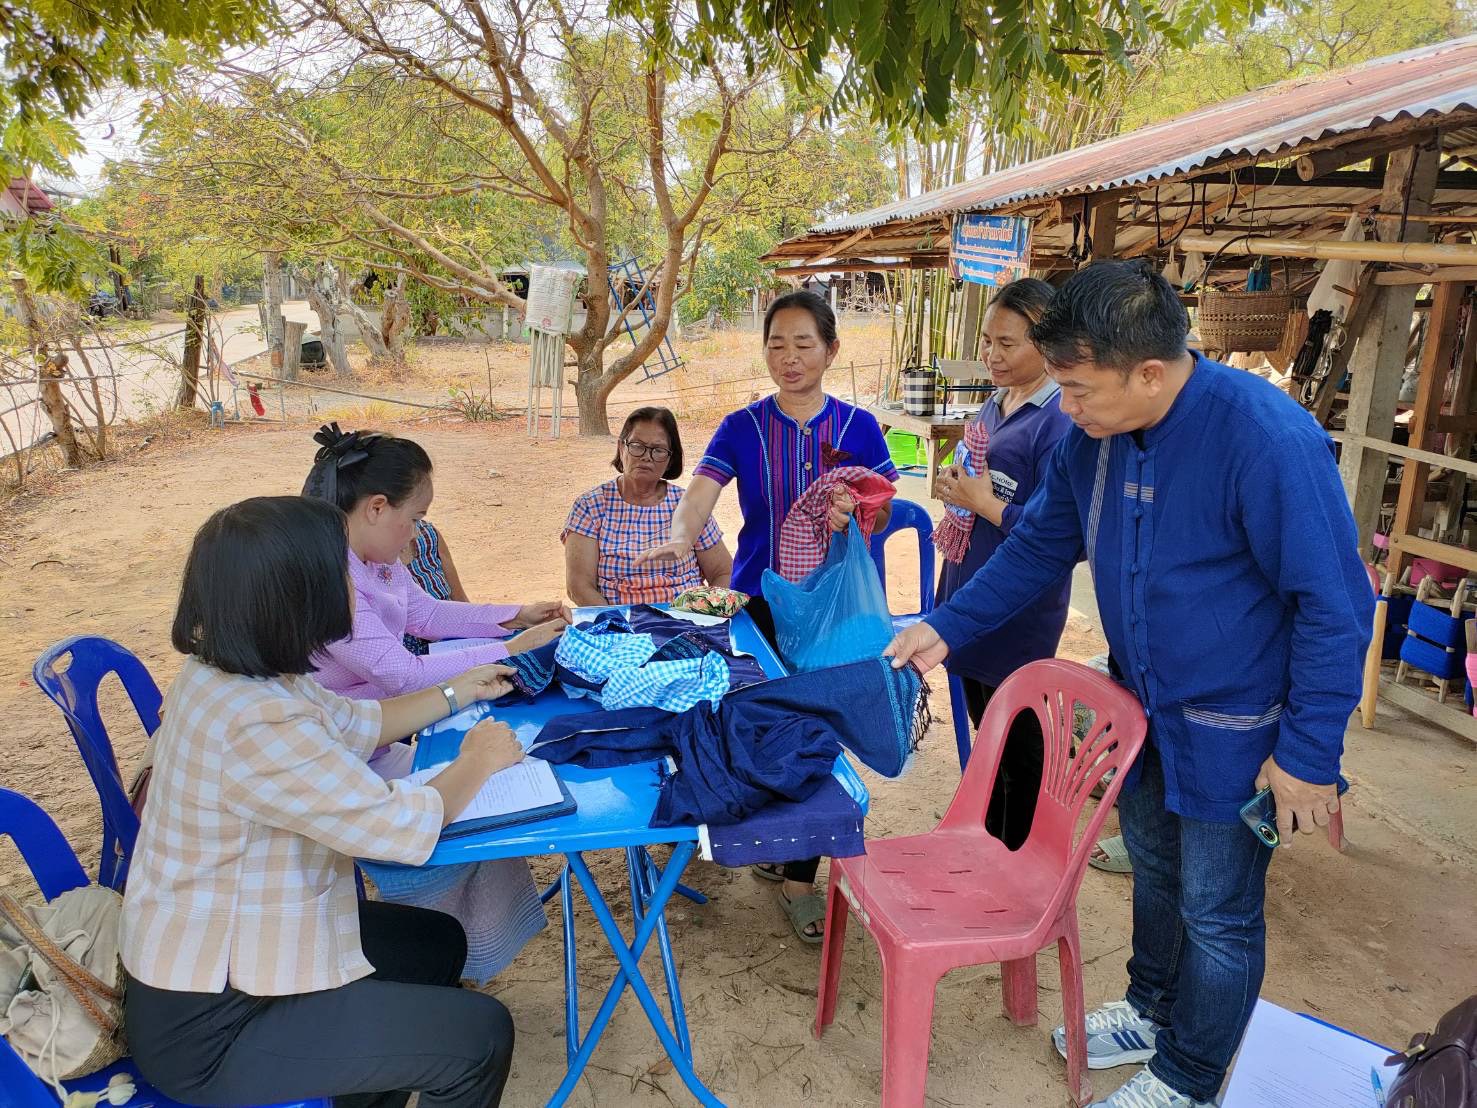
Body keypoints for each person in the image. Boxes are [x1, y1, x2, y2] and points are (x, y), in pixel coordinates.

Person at [885, 260, 1371, 1108]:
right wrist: (945, 626)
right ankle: (1151, 1010)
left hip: (1234, 722)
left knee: (1217, 911)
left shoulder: (1265, 439)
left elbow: (1334, 606)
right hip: (1139, 702)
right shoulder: (1093, 435)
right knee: (1152, 866)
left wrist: (1306, 755)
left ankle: (1188, 1075)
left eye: (1077, 389)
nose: (1065, 406)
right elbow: (1039, 546)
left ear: (1148, 372)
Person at [121, 495, 522, 1108]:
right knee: (479, 1038)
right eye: (341, 571)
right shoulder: (256, 721)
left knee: (433, 943)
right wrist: (477, 761)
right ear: (300, 595)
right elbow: (393, 827)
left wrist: (456, 690)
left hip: (239, 946)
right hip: (214, 1023)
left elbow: (359, 721)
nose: (354, 585)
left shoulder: (233, 675)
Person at [635, 288, 899, 946]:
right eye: (776, 344)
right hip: (759, 601)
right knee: (765, 721)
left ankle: (799, 879)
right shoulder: (741, 426)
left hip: (836, 607)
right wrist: (679, 537)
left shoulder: (859, 428)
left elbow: (885, 505)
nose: (789, 356)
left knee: (822, 731)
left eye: (803, 343)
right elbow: (701, 492)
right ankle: (777, 844)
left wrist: (857, 511)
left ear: (830, 350)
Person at [302, 425, 567, 983]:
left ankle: (465, 953)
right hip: (341, 758)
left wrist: (514, 616)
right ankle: (445, 950)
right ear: (377, 507)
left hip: (372, 736)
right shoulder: (329, 577)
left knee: (488, 787)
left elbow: (424, 614)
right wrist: (511, 649)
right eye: (416, 517)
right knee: (476, 810)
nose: (419, 531)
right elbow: (400, 674)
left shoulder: (372, 558)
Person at [933, 277, 1072, 851]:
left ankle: (1019, 854)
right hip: (970, 591)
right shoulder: (997, 402)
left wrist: (984, 503)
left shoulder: (1060, 421)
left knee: (1019, 740)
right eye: (987, 340)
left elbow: (1055, 535)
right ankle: (988, 840)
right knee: (985, 728)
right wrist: (958, 488)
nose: (991, 354)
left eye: (1007, 343)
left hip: (1017, 608)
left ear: (1046, 342)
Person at [563, 406, 733, 606]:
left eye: (658, 450)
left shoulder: (688, 505)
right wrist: (616, 621)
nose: (646, 456)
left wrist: (703, 613)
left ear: (670, 459)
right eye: (637, 445)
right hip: (619, 619)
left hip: (686, 618)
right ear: (621, 448)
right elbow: (579, 587)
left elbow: (723, 572)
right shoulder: (590, 506)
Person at [403, 518, 470, 654]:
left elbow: (458, 594)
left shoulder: (428, 532)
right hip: (414, 638)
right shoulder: (377, 553)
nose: (415, 535)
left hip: (448, 623)